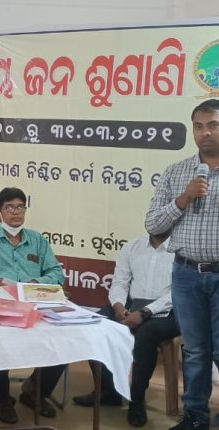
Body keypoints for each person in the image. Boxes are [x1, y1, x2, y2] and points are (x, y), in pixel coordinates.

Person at [145, 99, 219, 430]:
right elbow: (153, 225)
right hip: (186, 275)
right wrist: (184, 198)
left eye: (213, 125)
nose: (206, 133)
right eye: (199, 126)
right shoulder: (176, 173)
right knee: (195, 351)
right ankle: (195, 418)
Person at [0, 187, 66, 424]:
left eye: (20, 207)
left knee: (63, 338)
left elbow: (56, 273)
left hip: (34, 302)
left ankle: (36, 392)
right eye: (9, 207)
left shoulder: (37, 240)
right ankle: (2, 398)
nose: (16, 212)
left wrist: (36, 283)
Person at [72, 231, 179, 427]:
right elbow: (120, 282)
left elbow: (178, 292)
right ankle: (108, 391)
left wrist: (145, 312)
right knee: (97, 323)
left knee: (146, 334)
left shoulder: (181, 249)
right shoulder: (132, 246)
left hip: (171, 311)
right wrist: (118, 306)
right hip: (133, 305)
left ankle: (136, 400)